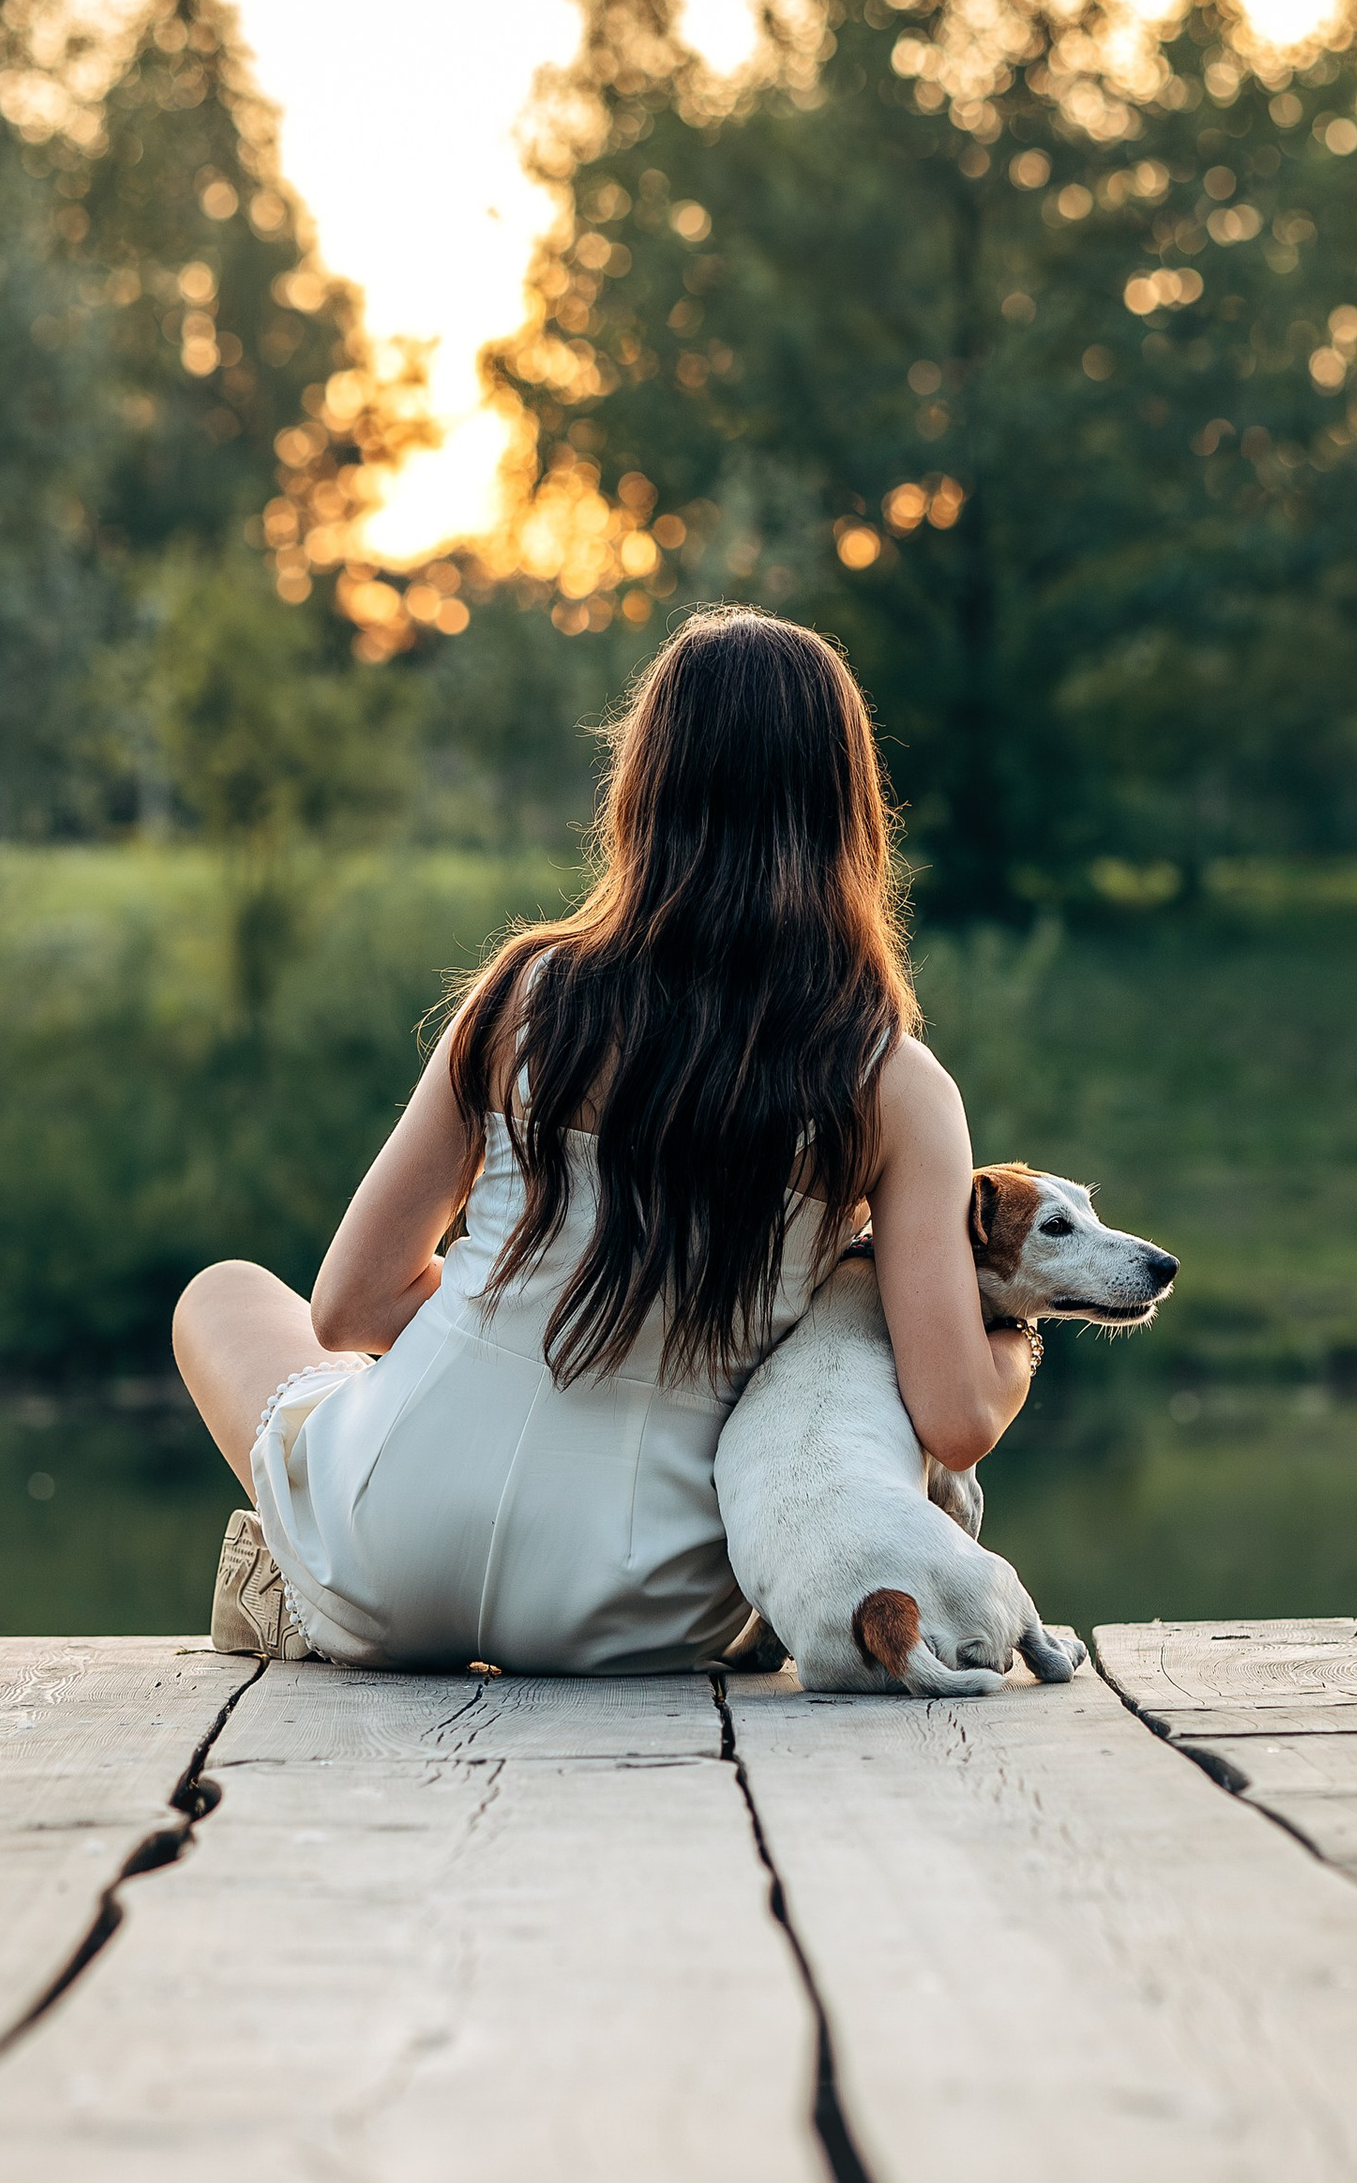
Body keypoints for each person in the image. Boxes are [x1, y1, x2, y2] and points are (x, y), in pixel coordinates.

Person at [172, 607, 1036, 1674]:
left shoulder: (526, 993)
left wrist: (534, 1316)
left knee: (221, 1295)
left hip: (383, 1548)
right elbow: (952, 1416)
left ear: (644, 791)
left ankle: (301, 1577)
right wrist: (1014, 1348)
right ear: (850, 815)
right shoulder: (893, 1084)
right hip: (645, 1610)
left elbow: (348, 1307)